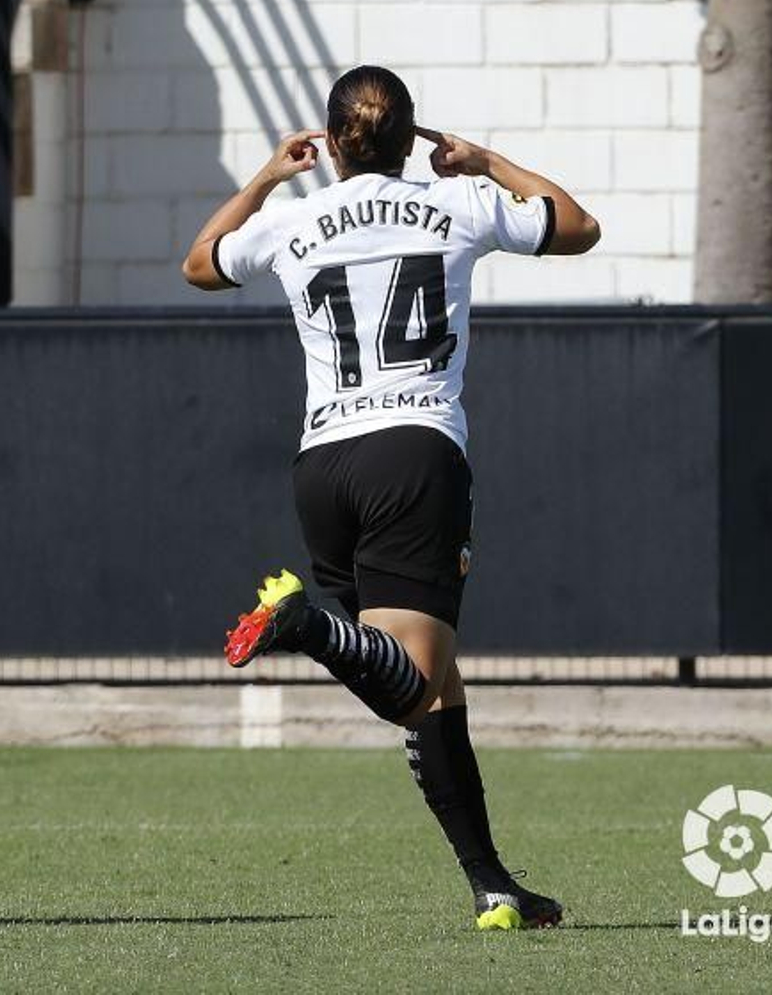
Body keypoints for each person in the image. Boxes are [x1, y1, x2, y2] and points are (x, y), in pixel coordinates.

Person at [180, 65, 600, 930]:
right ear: (412, 141)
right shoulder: (458, 206)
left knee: (436, 686)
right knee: (407, 687)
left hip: (324, 469)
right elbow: (580, 227)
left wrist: (265, 176)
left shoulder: (293, 218)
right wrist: (487, 162)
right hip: (413, 455)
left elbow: (198, 264)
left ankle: (492, 884)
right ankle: (305, 626)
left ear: (331, 145)